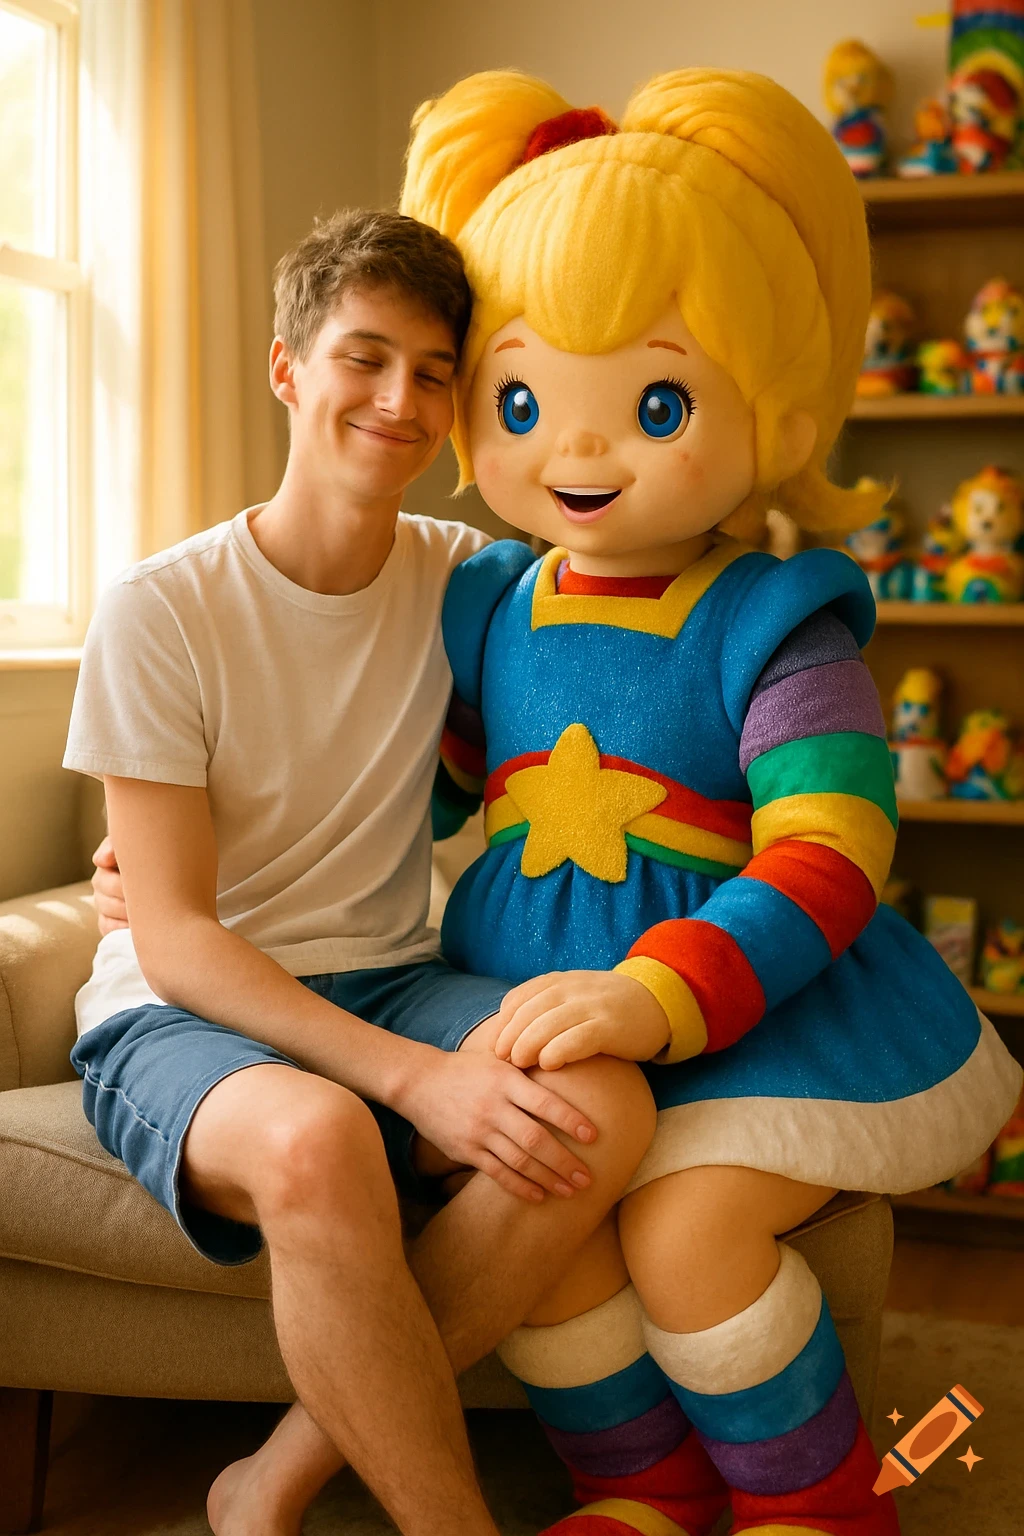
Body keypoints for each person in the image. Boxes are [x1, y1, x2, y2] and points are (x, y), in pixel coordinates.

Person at [394, 69, 1023, 1536]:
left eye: (656, 399)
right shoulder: (487, 601)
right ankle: (646, 1491)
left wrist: (654, 997)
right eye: (526, 399)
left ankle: (818, 1504)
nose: (579, 451)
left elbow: (832, 850)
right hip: (534, 988)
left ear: (774, 403)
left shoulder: (776, 619)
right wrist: (201, 849)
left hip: (758, 1000)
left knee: (686, 1236)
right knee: (553, 1233)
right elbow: (408, 791)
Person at [67, 207, 656, 1536]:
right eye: (363, 356)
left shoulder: (478, 584)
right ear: (288, 367)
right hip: (180, 1014)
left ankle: (269, 1480)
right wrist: (418, 1084)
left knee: (600, 1101)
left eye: (434, 372)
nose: (400, 399)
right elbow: (171, 935)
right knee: (322, 1138)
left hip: (395, 970)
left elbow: (665, 626)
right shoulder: (161, 608)